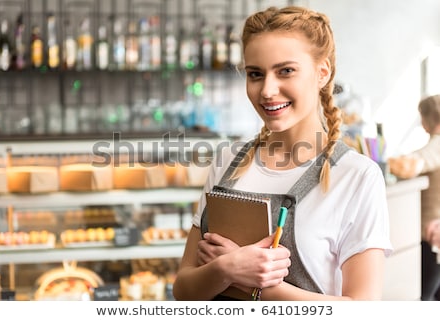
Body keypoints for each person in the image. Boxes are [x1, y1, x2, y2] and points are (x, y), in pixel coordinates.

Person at [173, 6, 392, 301]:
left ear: (322, 73)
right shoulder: (228, 161)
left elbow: (363, 310)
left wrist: (255, 282)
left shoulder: (357, 176)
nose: (267, 90)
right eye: (255, 74)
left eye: (285, 71)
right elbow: (184, 290)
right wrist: (225, 268)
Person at [388, 94, 440, 301]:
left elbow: (412, 165)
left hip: (431, 236)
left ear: (428, 118)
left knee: (424, 297)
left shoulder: (436, 146)